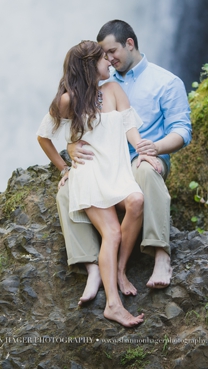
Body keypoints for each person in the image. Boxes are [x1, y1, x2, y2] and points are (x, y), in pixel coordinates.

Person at [37, 40, 159, 328]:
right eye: (105, 58)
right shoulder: (68, 100)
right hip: (90, 172)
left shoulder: (115, 90)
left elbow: (131, 129)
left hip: (116, 171)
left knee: (137, 202)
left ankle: (118, 269)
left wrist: (145, 152)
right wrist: (65, 164)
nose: (110, 62)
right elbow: (43, 136)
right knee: (112, 233)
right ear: (90, 65)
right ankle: (113, 305)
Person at [67, 20, 193, 289]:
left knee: (146, 169)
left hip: (141, 158)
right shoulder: (101, 82)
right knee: (66, 188)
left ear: (130, 43)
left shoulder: (166, 82)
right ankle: (91, 266)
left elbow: (182, 130)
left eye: (112, 51)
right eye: (104, 55)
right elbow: (75, 122)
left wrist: (155, 148)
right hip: (104, 163)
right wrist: (70, 148)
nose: (109, 60)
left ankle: (160, 254)